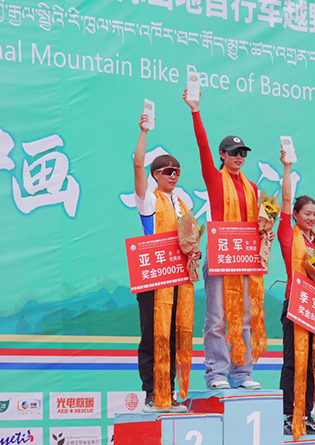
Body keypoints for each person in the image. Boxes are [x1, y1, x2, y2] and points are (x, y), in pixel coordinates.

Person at [183, 89, 272, 390]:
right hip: (221, 256)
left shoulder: (252, 188)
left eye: (243, 153)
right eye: (233, 153)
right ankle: (216, 373)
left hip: (244, 258)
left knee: (245, 318)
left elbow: (256, 223)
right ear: (222, 155)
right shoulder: (215, 179)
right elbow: (202, 146)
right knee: (218, 318)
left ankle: (241, 372)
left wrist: (264, 231)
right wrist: (195, 110)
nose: (239, 158)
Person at [132, 112, 200, 413]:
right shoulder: (149, 200)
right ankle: (151, 393)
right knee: (152, 335)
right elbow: (137, 164)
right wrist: (144, 131)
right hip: (153, 278)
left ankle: (168, 392)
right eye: (167, 171)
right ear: (156, 175)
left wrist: (193, 252)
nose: (173, 176)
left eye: (177, 172)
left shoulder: (183, 203)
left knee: (173, 336)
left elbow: (187, 239)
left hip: (177, 279)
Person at [277, 146, 315, 437]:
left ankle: (306, 415)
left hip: (314, 309)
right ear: (295, 215)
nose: (312, 218)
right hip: (294, 305)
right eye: (307, 213)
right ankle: (288, 415)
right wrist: (287, 167)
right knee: (293, 362)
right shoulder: (288, 235)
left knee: (311, 365)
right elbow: (285, 199)